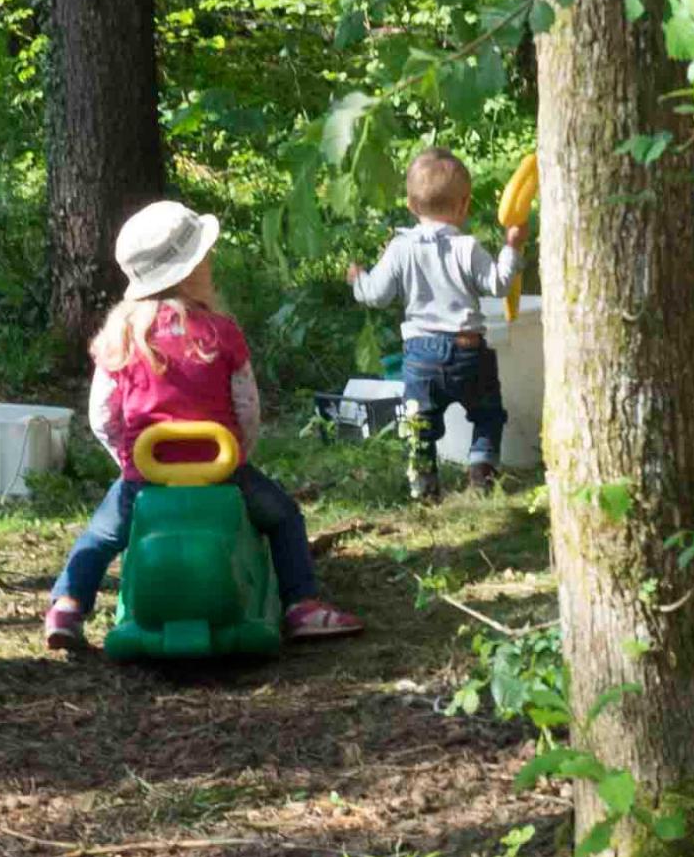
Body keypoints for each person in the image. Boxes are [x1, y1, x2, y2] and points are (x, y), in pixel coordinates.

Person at [45, 201, 361, 651]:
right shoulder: (220, 332)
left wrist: (129, 460)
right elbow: (247, 406)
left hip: (146, 476)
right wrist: (238, 455)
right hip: (220, 472)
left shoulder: (120, 334)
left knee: (99, 537)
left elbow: (102, 414)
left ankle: (69, 605)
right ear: (192, 270)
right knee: (283, 517)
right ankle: (301, 604)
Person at [347, 146, 524, 501]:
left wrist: (358, 279)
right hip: (468, 350)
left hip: (421, 355)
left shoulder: (400, 248)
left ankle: (424, 487)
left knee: (419, 425)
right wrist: (512, 248)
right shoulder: (467, 247)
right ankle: (482, 475)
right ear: (464, 204)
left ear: (411, 205)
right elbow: (498, 285)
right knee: (487, 415)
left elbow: (376, 295)